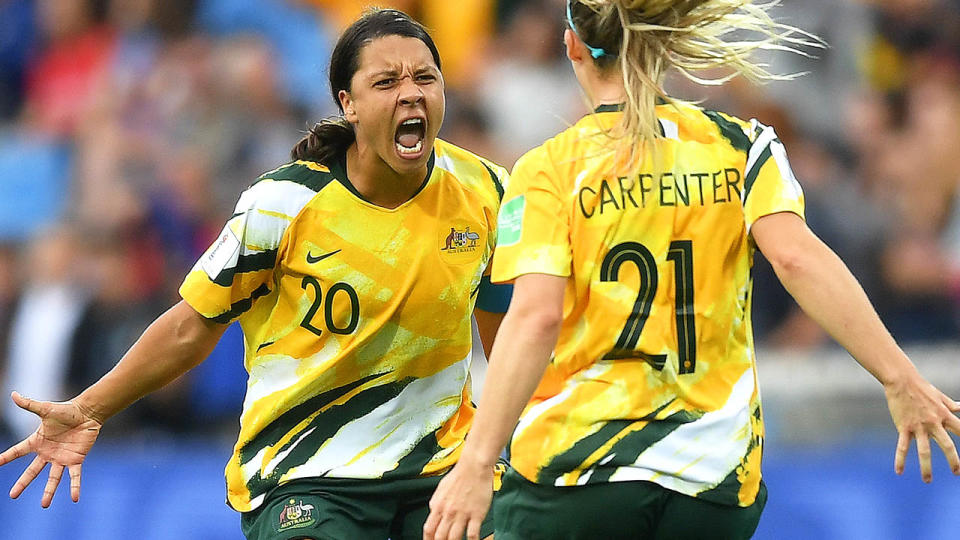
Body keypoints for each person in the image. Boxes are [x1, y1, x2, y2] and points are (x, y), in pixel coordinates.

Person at [423, 1, 960, 539]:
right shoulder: (741, 145)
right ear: (665, 48)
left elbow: (536, 317)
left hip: (579, 473)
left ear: (572, 47)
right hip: (712, 479)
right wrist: (899, 377)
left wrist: (476, 461)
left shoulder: (547, 169)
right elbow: (798, 258)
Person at [0, 8, 511, 540]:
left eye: (425, 77)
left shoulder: (485, 192)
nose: (411, 93)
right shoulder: (282, 204)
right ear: (348, 104)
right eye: (386, 82)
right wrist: (89, 409)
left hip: (441, 469)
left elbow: (506, 330)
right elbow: (190, 327)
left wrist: (508, 446)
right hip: (308, 475)